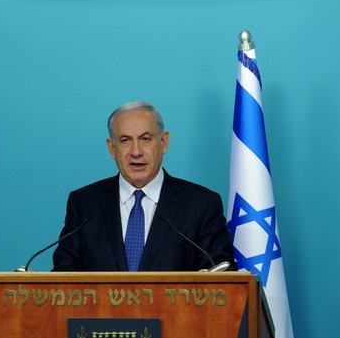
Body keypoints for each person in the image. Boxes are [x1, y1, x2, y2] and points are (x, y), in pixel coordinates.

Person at [52, 101, 235, 272]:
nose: (136, 152)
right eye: (125, 140)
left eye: (145, 139)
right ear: (112, 148)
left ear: (163, 142)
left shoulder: (202, 205)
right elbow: (64, 274)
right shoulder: (84, 205)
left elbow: (221, 276)